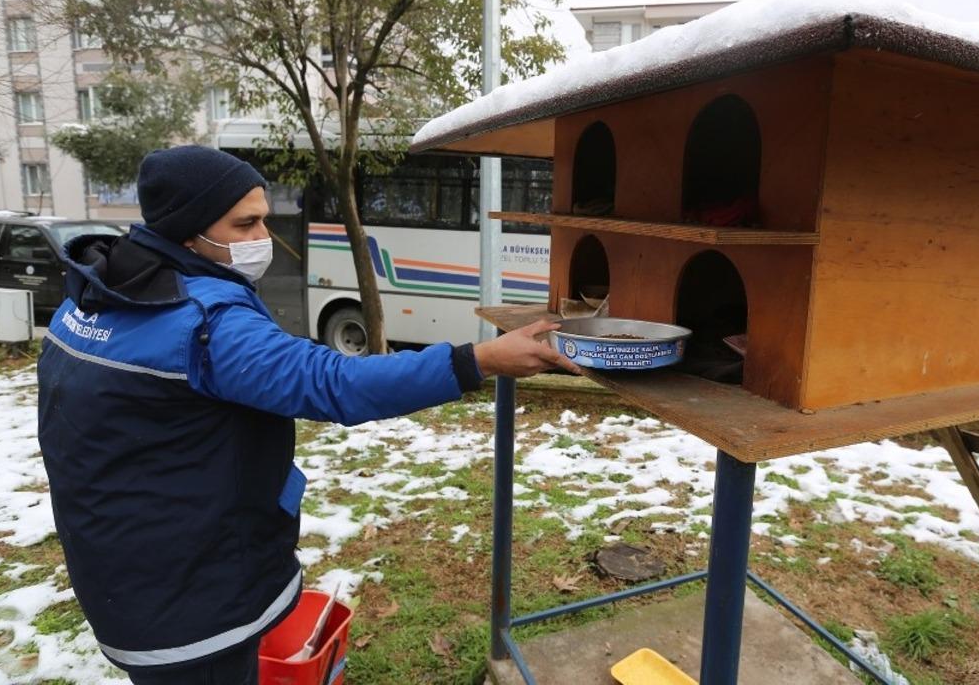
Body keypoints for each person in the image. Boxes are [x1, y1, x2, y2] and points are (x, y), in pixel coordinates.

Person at [36, 145, 577, 685]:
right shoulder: (203, 325)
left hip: (120, 565)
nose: (263, 240)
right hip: (191, 593)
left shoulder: (93, 295)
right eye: (245, 224)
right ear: (187, 231)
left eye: (264, 220)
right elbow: (334, 382)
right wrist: (478, 360)